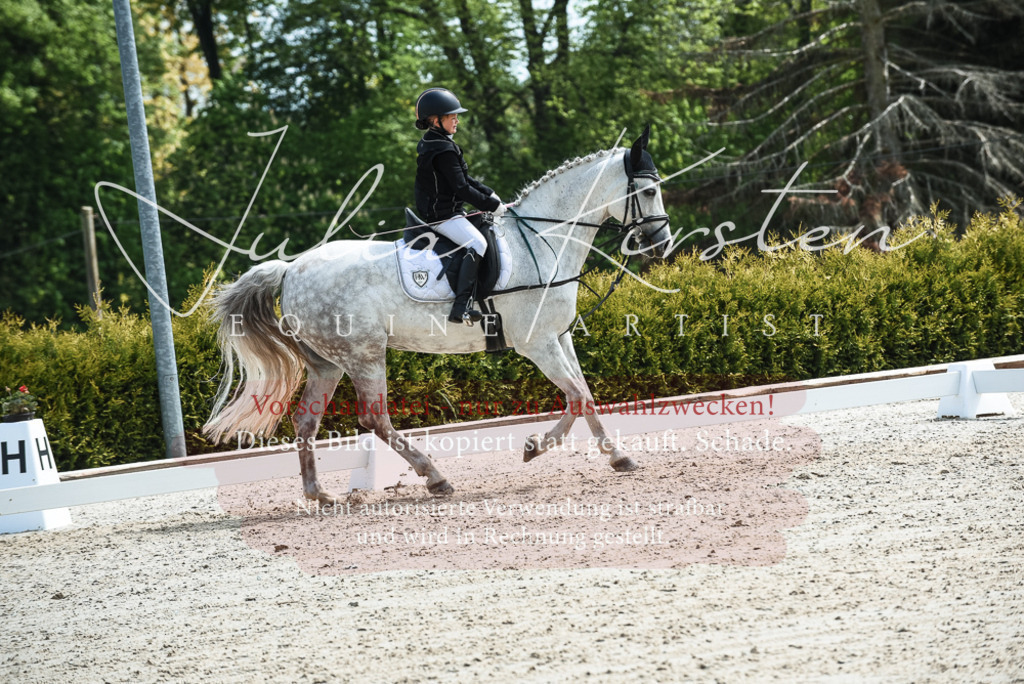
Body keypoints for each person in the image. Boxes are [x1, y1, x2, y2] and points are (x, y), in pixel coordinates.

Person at [413, 87, 504, 325]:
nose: (457, 120)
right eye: (452, 116)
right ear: (436, 120)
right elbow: (462, 189)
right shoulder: (442, 149)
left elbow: (465, 180)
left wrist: (490, 195)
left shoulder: (437, 142)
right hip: (442, 216)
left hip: (447, 210)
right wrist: (492, 205)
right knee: (478, 243)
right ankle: (461, 306)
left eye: (456, 116)